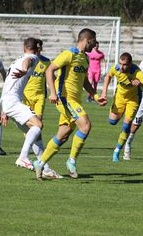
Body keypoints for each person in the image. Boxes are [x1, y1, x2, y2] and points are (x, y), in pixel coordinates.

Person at [33, 28, 107, 181]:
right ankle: (71, 161)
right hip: (65, 98)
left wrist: (95, 95)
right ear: (87, 40)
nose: (94, 45)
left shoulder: (85, 59)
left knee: (63, 135)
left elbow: (85, 81)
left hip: (75, 100)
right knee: (85, 125)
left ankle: (40, 163)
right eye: (93, 41)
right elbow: (49, 70)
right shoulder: (69, 54)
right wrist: (53, 93)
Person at [100, 52, 143, 162]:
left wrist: (141, 84)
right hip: (119, 98)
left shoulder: (137, 72)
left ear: (130, 64)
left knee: (126, 126)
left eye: (124, 65)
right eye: (120, 64)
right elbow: (108, 76)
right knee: (112, 121)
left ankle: (117, 151)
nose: (122, 67)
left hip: (133, 100)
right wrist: (104, 92)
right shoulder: (116, 68)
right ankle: (121, 115)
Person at [21, 39, 62, 179]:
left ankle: (43, 165)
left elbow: (52, 77)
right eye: (36, 49)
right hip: (25, 97)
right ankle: (43, 165)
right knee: (33, 131)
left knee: (37, 129)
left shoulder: (46, 62)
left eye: (39, 49)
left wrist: (54, 91)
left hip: (39, 98)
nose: (38, 51)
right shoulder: (26, 61)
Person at [0, 37, 43, 171]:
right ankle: (23, 157)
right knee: (38, 125)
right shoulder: (33, 57)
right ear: (37, 49)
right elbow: (28, 60)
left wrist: (3, 109)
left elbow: (8, 83)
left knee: (36, 133)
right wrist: (25, 69)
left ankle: (45, 168)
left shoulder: (15, 61)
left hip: (8, 101)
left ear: (24, 48)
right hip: (12, 101)